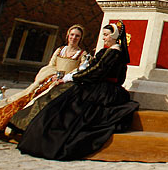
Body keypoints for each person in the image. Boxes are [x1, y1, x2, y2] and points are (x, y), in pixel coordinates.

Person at [13, 22, 139, 160]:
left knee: (73, 112)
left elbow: (97, 72)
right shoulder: (106, 51)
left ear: (114, 36)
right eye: (103, 35)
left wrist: (72, 77)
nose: (103, 38)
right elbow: (92, 69)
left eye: (106, 35)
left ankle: (51, 141)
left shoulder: (114, 53)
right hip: (95, 85)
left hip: (104, 90)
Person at [0, 24, 89, 131]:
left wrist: (63, 79)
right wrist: (52, 75)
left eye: (77, 36)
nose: (74, 38)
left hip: (63, 84)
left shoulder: (82, 54)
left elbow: (79, 70)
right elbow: (51, 65)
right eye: (72, 35)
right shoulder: (60, 50)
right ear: (68, 35)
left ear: (80, 38)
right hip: (49, 79)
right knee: (25, 96)